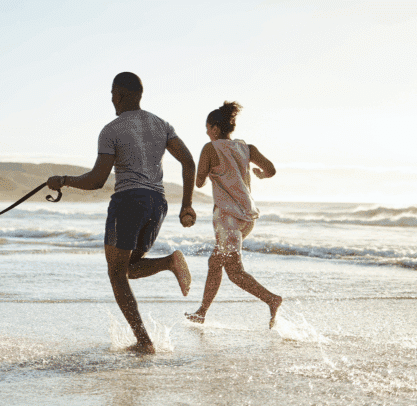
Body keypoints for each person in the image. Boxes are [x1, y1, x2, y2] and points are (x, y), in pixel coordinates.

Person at [47, 72, 196, 354]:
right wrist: (186, 205)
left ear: (120, 94)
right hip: (157, 202)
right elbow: (188, 162)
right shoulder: (161, 124)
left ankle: (144, 341)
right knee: (129, 268)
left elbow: (96, 180)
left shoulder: (112, 129)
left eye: (113, 94)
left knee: (116, 274)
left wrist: (63, 180)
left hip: (128, 201)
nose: (112, 99)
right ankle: (169, 262)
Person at [185, 101, 283, 328]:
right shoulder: (247, 147)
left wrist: (199, 166)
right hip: (247, 219)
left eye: (208, 128)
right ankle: (201, 312)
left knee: (234, 272)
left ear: (216, 129)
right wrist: (259, 173)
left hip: (228, 218)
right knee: (214, 262)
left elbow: (199, 182)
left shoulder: (210, 149)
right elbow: (271, 170)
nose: (207, 132)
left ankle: (272, 299)